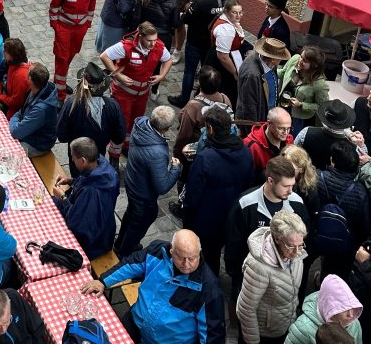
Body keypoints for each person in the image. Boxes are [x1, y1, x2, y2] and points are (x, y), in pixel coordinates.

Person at [82, 230, 225, 344]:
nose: (186, 264)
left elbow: (213, 333)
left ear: (199, 253)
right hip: (136, 322)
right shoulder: (157, 251)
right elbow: (131, 264)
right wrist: (103, 281)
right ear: (171, 250)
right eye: (180, 257)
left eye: (192, 258)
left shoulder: (209, 289)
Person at [229, 211, 308, 344]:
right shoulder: (258, 266)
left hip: (280, 327)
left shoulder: (296, 253)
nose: (297, 252)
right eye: (291, 246)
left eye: (300, 244)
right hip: (262, 333)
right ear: (277, 239)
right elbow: (245, 309)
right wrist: (253, 343)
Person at [182, 106, 254, 275]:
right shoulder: (245, 152)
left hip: (207, 220)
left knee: (208, 256)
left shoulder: (205, 158)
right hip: (233, 216)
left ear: (211, 129)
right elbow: (249, 183)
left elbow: (193, 195)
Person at [225, 156, 310, 299]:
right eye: (286, 186)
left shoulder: (297, 203)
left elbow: (305, 240)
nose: (290, 191)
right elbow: (233, 244)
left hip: (284, 278)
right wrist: (237, 276)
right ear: (270, 181)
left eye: (292, 185)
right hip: (253, 277)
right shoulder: (246, 204)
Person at [116, 106, 181, 256]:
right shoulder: (157, 152)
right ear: (166, 128)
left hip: (133, 182)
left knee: (131, 214)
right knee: (140, 221)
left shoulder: (141, 124)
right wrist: (175, 168)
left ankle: (120, 244)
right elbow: (162, 186)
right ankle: (125, 252)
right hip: (143, 194)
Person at [280, 275, 369, 344]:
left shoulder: (354, 323)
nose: (351, 315)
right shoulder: (303, 329)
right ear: (331, 308)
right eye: (344, 309)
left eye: (352, 307)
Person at [101, 21, 172, 151]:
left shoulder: (158, 47)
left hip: (142, 95)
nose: (153, 44)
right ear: (140, 36)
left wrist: (161, 76)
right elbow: (104, 56)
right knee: (121, 125)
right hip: (123, 94)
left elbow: (168, 59)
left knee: (134, 123)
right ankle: (114, 154)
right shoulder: (126, 47)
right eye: (149, 40)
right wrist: (118, 76)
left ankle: (127, 146)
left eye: (155, 40)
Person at [52, 137, 120, 259]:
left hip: (93, 243)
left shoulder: (91, 191)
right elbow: (85, 182)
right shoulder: (103, 169)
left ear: (83, 160)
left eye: (73, 157)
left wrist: (62, 197)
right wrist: (72, 181)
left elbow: (75, 221)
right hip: (105, 230)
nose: (72, 159)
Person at [56, 61, 126, 174]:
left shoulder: (71, 104)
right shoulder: (113, 106)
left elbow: (62, 136)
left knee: (78, 183)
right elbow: (119, 137)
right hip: (99, 157)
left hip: (76, 159)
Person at [316, 140, 371, 280]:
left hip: (319, 232)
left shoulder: (318, 178)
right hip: (345, 241)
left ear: (333, 161)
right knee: (336, 273)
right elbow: (364, 225)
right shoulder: (360, 192)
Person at [49, 0, 97, 102]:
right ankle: (59, 95)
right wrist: (57, 27)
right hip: (64, 28)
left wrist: (87, 25)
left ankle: (60, 84)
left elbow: (91, 7)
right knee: (62, 57)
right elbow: (53, 7)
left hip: (79, 30)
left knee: (71, 55)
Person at [172, 65, 233, 159]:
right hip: (217, 147)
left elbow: (184, 135)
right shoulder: (225, 99)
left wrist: (177, 154)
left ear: (200, 83)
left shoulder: (193, 106)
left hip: (197, 150)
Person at [236, 38, 291, 131]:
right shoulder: (251, 75)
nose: (281, 61)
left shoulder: (269, 63)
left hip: (266, 115)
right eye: (280, 58)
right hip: (256, 124)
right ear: (273, 59)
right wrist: (254, 132)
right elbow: (249, 107)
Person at [278, 46, 330, 138]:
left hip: (298, 117)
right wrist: (269, 70)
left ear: (314, 65)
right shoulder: (295, 59)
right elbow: (283, 73)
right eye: (301, 57)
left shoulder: (320, 85)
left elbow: (322, 106)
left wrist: (302, 105)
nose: (300, 60)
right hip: (282, 105)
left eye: (305, 61)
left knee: (290, 137)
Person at [9, 62, 58, 156]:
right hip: (29, 131)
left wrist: (13, 120)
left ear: (31, 80)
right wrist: (16, 120)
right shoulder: (40, 88)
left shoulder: (41, 109)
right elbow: (21, 110)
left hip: (38, 144)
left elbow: (16, 132)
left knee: (9, 152)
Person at [295, 100, 357, 170]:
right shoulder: (352, 147)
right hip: (331, 180)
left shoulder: (306, 132)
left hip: (306, 174)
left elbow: (294, 151)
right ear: (346, 122)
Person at [206, 0, 246, 106]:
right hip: (222, 64)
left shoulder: (229, 21)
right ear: (227, 12)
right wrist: (234, 73)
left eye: (240, 12)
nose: (238, 15)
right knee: (225, 88)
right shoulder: (226, 29)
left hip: (227, 56)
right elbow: (223, 57)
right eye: (235, 12)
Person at [244, 106, 294, 180]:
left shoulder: (289, 139)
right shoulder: (251, 146)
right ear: (269, 124)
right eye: (281, 128)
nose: (286, 133)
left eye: (289, 128)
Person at [0, 38, 31, 119]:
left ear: (12, 55)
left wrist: (0, 96)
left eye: (5, 52)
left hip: (13, 112)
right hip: (5, 96)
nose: (3, 52)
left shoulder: (21, 75)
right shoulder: (12, 63)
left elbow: (15, 103)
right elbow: (5, 79)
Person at [354, 82, 371, 157]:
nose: (368, 98)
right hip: (354, 151)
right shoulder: (360, 102)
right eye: (370, 94)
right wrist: (350, 134)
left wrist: (370, 160)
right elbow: (344, 123)